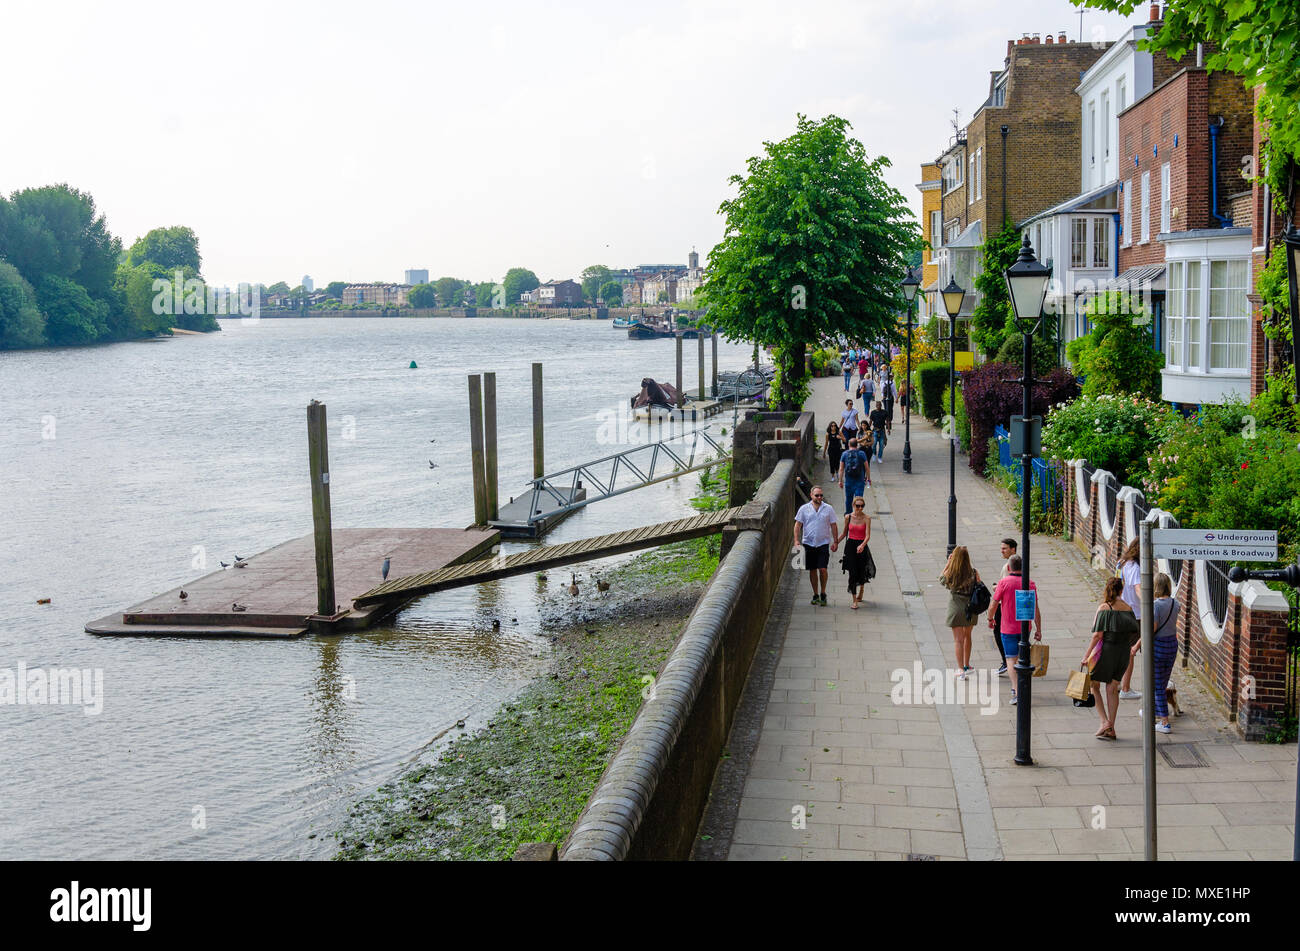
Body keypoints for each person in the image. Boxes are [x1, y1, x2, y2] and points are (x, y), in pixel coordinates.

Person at [1082, 576, 1139, 740]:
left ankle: (1104, 722)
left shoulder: (1104, 608)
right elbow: (1134, 631)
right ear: (1121, 590)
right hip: (1123, 653)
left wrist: (1086, 656)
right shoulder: (1128, 609)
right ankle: (1111, 728)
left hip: (1107, 651)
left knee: (1093, 684)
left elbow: (1097, 635)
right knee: (1112, 688)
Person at [990, 554, 1042, 705]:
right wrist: (1039, 629)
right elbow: (1035, 609)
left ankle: (1016, 690)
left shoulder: (1004, 583)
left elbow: (994, 604)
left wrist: (990, 618)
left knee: (1011, 659)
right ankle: (1020, 688)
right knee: (1021, 658)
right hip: (1025, 629)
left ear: (1008, 567)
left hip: (1007, 628)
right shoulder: (1030, 584)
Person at [1131, 572, 1180, 734]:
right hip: (1172, 645)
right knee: (1162, 680)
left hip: (1158, 646)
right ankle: (1150, 710)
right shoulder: (1176, 604)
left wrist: (1137, 645)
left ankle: (1164, 722)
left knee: (1156, 684)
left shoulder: (1155, 606)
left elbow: (1150, 631)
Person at [940, 546, 983, 679]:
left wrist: (948, 563)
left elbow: (941, 579)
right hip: (971, 609)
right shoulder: (974, 572)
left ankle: (960, 670)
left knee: (958, 640)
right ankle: (966, 665)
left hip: (956, 609)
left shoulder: (952, 572)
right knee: (967, 637)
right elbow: (979, 585)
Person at [794, 485, 840, 607]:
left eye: (821, 495)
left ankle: (823, 593)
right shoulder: (804, 509)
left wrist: (835, 541)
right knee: (812, 570)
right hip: (808, 543)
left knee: (823, 569)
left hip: (823, 543)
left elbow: (834, 525)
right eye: (817, 495)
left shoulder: (828, 509)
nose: (819, 497)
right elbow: (798, 525)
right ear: (811, 495)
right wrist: (796, 540)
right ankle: (815, 594)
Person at [1116, 538, 1142, 699]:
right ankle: (1125, 688)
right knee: (1130, 652)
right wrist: (1149, 603)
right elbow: (1138, 589)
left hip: (1121, 610)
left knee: (1123, 650)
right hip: (1135, 614)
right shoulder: (1136, 568)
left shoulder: (1122, 563)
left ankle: (1119, 683)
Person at [988, 537, 1018, 675]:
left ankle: (1006, 661)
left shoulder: (1008, 566)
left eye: (1005, 548)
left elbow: (1006, 585)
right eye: (1001, 548)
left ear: (1013, 549)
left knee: (999, 632)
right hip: (1013, 603)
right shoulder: (1016, 563)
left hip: (1004, 604)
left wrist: (996, 587)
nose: (1002, 551)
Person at [840, 496, 875, 609]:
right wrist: (835, 542)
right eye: (857, 506)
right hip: (850, 546)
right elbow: (845, 533)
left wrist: (862, 545)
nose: (860, 508)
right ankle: (854, 600)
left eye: (862, 506)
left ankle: (862, 590)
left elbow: (868, 535)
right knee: (852, 573)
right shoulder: (848, 517)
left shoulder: (867, 518)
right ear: (853, 505)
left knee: (861, 570)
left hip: (861, 546)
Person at [837, 436, 870, 513]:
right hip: (860, 481)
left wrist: (840, 481)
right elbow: (867, 467)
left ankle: (848, 516)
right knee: (859, 500)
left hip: (849, 481)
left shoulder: (844, 454)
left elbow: (841, 469)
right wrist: (868, 479)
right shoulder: (862, 453)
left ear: (849, 445)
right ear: (857, 445)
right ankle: (858, 515)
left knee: (848, 499)